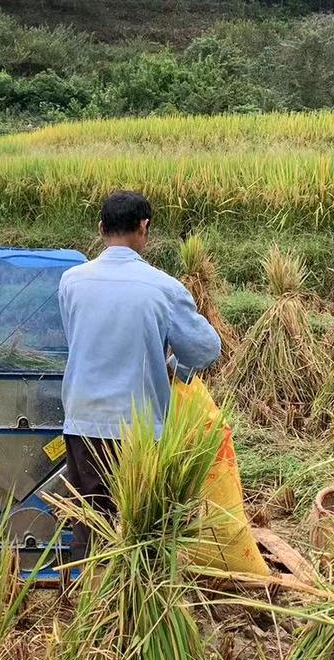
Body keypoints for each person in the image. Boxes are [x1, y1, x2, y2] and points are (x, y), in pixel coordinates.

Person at [58, 190, 221, 563]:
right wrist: (174, 366)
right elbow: (206, 349)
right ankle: (136, 609)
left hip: (83, 420)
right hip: (140, 428)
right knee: (140, 527)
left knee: (89, 522)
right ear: (144, 228)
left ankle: (90, 606)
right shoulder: (163, 287)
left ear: (101, 228)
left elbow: (76, 337)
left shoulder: (71, 281)